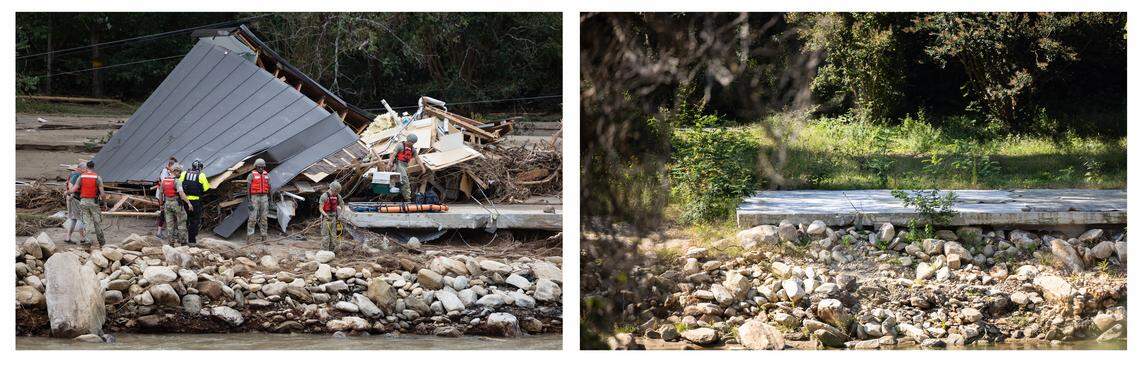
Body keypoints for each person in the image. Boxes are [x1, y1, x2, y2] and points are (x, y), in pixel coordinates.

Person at [68, 161, 105, 247]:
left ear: (87, 167)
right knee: (97, 222)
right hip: (94, 203)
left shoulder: (81, 177)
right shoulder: (97, 177)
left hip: (83, 202)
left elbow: (73, 189)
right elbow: (102, 194)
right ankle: (102, 242)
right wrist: (104, 203)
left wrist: (67, 192)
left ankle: (87, 241)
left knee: (86, 222)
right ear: (93, 167)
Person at [157, 163, 192, 246]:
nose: (180, 174)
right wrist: (189, 203)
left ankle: (171, 243)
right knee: (181, 222)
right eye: (179, 172)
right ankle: (183, 242)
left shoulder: (164, 181)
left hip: (167, 204)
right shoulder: (177, 181)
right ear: (175, 171)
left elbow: (160, 194)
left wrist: (161, 205)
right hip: (176, 204)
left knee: (169, 224)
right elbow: (181, 194)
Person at [179, 159, 211, 245]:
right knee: (194, 221)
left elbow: (179, 186)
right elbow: (206, 188)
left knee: (185, 220)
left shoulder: (184, 173)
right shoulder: (201, 175)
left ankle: (182, 240)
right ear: (200, 168)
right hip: (195, 201)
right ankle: (192, 241)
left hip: (185, 201)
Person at [246, 158, 271, 243]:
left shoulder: (267, 175)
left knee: (264, 218)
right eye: (259, 167)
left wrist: (270, 199)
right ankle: (250, 239)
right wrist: (249, 201)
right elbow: (248, 189)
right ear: (256, 167)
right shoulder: (251, 175)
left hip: (264, 197)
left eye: (262, 167)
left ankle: (264, 238)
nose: (261, 168)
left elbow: (269, 187)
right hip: (254, 197)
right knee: (252, 218)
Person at [63, 160, 87, 244]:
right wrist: (72, 195)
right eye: (85, 169)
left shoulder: (75, 174)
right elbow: (70, 185)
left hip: (72, 198)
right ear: (81, 168)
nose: (86, 170)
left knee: (74, 219)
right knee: (80, 218)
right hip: (74, 199)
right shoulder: (77, 174)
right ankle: (83, 239)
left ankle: (68, 237)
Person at [390, 134, 418, 201]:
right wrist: (390, 163)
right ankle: (408, 199)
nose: (411, 144)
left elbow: (417, 157)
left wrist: (422, 167)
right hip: (398, 165)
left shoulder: (412, 149)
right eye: (411, 142)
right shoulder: (400, 145)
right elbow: (393, 154)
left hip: (405, 166)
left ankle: (395, 198)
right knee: (405, 182)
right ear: (408, 140)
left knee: (399, 183)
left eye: (413, 143)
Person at [318, 181, 345, 251]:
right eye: (336, 191)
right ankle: (324, 251)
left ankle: (332, 251)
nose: (336, 193)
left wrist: (341, 214)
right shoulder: (324, 196)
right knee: (326, 236)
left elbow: (342, 206)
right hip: (326, 217)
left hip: (334, 217)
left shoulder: (338, 196)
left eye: (338, 192)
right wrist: (325, 215)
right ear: (332, 189)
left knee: (333, 235)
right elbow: (320, 208)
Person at [156, 156, 178, 239]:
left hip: (167, 195)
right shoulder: (165, 172)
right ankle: (159, 232)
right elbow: (164, 184)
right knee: (163, 213)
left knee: (170, 213)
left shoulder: (170, 172)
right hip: (162, 195)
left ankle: (171, 231)